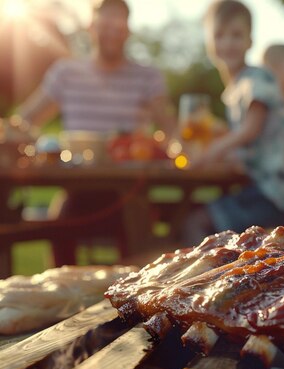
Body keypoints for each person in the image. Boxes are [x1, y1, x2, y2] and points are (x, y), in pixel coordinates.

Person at [17, 0, 177, 265]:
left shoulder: (147, 77)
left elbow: (172, 133)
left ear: (128, 31)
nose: (112, 32)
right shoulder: (66, 73)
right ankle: (66, 303)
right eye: (105, 24)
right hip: (78, 192)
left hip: (130, 194)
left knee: (138, 234)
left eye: (119, 25)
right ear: (91, 27)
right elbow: (23, 122)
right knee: (60, 226)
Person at [181, 0, 284, 246]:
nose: (227, 43)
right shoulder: (238, 87)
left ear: (250, 41)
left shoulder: (256, 78)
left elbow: (250, 130)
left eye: (236, 35)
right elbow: (251, 143)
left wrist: (211, 152)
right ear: (209, 42)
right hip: (265, 192)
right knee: (191, 215)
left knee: (193, 223)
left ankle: (209, 279)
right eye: (219, 35)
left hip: (273, 197)